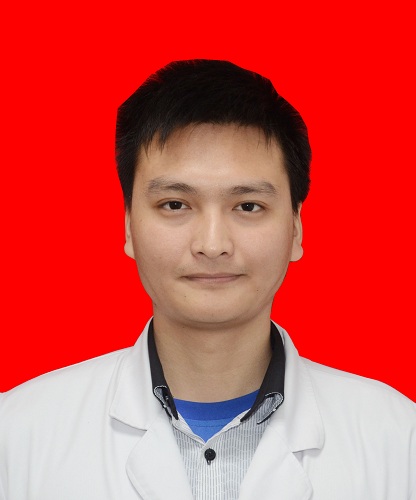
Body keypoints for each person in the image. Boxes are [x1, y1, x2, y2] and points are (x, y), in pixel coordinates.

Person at [0, 59, 414, 500]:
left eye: (248, 206)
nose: (212, 245)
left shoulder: (398, 440)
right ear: (128, 226)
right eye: (175, 205)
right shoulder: (18, 434)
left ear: (296, 228)